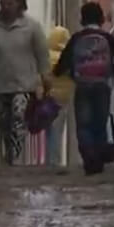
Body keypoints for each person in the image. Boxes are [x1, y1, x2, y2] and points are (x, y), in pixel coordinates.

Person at [0, 0, 51, 166]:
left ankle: (16, 158)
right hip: (0, 84)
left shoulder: (31, 27)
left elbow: (42, 55)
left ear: (19, 4)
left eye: (10, 3)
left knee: (19, 119)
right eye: (3, 3)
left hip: (24, 85)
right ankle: (9, 155)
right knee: (5, 124)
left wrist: (45, 79)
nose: (6, 7)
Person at [53, 2, 114, 175]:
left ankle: (88, 155)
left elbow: (62, 65)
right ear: (101, 18)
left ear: (82, 18)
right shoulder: (108, 38)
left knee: (84, 124)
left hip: (82, 85)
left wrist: (61, 73)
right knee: (99, 122)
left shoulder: (76, 38)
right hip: (102, 86)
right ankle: (98, 158)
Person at [46, 26, 75, 166]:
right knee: (57, 131)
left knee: (46, 129)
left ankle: (48, 160)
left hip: (47, 97)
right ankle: (53, 161)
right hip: (63, 98)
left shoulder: (45, 56)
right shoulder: (67, 58)